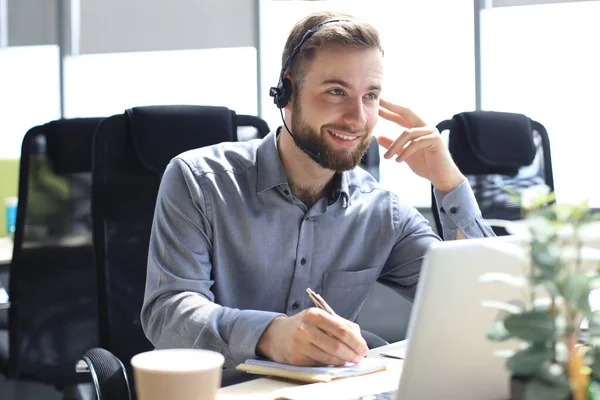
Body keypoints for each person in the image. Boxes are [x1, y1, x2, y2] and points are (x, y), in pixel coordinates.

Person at [141, 11, 495, 385]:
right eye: (336, 91)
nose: (357, 118)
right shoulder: (198, 180)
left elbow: (484, 308)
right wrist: (269, 334)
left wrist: (448, 182)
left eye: (370, 96)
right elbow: (168, 316)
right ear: (288, 92)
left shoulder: (383, 212)